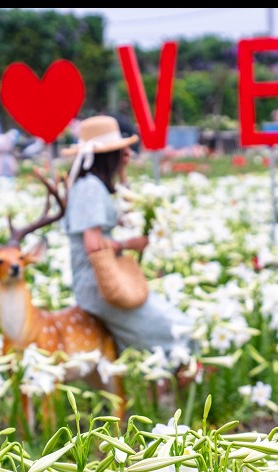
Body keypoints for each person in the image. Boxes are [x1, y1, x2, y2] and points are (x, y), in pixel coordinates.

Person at [62, 115, 194, 356]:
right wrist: (131, 244)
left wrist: (122, 173)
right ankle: (173, 389)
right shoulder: (90, 188)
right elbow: (93, 245)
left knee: (169, 333)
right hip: (99, 285)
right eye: (120, 151)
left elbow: (126, 212)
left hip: (101, 282)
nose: (126, 154)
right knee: (181, 331)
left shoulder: (92, 184)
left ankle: (166, 388)